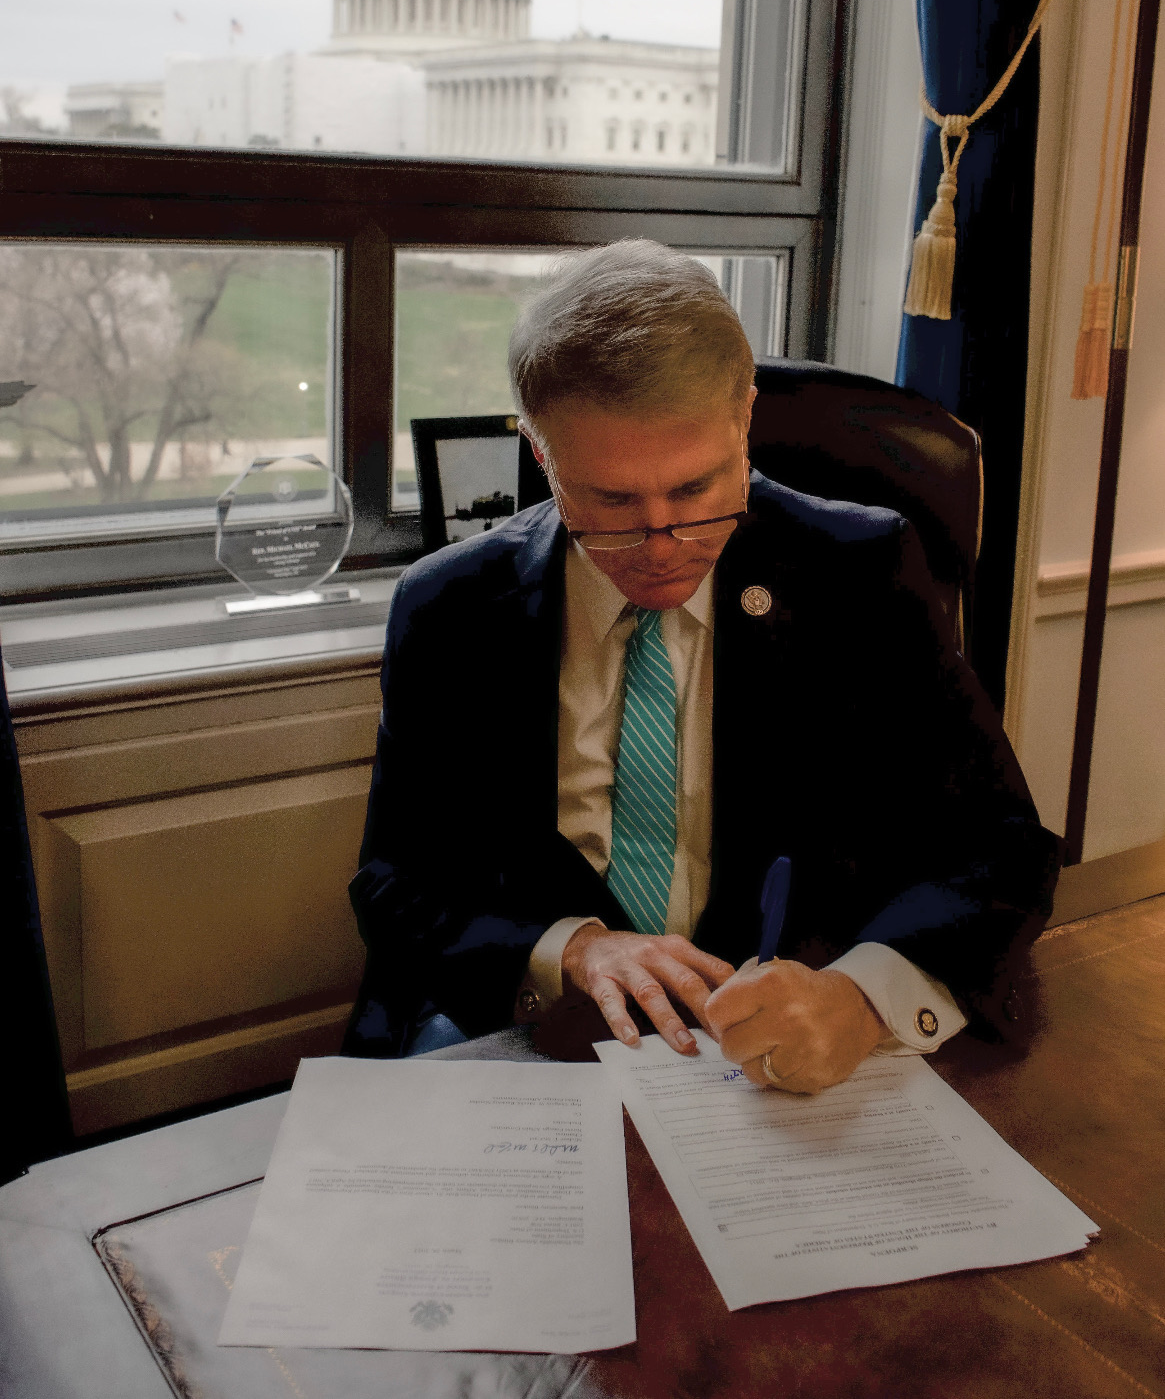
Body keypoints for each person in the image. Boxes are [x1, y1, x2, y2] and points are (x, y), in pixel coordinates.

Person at [347, 240, 1058, 1092]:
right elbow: (395, 884)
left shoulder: (861, 570)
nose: (660, 548)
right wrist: (566, 948)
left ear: (744, 419)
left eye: (695, 492)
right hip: (527, 1031)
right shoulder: (449, 605)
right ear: (541, 455)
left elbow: (1001, 848)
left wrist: (862, 1001)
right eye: (611, 501)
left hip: (772, 1045)